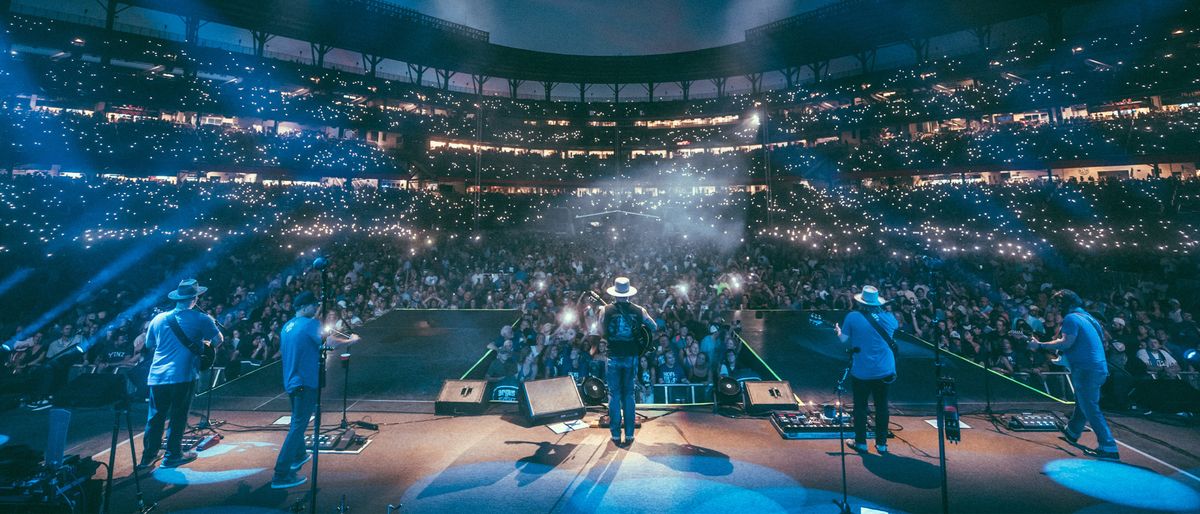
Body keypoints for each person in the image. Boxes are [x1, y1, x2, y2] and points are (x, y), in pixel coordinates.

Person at [272, 291, 359, 489]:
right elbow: (330, 344)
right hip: (305, 381)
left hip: (291, 381)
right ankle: (281, 474)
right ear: (303, 306)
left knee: (297, 420)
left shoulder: (287, 326)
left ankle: (299, 455)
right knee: (298, 425)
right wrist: (350, 341)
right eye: (313, 305)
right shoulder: (310, 324)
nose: (316, 309)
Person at [140, 279, 223, 469]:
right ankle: (173, 455)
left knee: (155, 417)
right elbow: (218, 340)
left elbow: (149, 345)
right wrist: (203, 344)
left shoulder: (158, 319)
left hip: (157, 375)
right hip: (183, 375)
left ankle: (148, 456)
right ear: (195, 298)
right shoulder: (202, 318)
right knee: (178, 415)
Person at [1030, 289, 1119, 461]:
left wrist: (1040, 345)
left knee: (1090, 407)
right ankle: (1072, 432)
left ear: (1064, 304)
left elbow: (1066, 343)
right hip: (1098, 367)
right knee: (1083, 402)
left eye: (1056, 305)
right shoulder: (1089, 318)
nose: (1054, 309)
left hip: (1086, 370)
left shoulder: (1071, 318)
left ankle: (1109, 447)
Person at [835, 285, 897, 455]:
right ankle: (882, 444)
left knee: (860, 407)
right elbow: (891, 331)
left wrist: (839, 331)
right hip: (884, 369)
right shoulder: (889, 318)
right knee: (882, 406)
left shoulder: (853, 317)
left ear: (861, 302)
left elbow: (843, 340)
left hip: (862, 370)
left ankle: (861, 442)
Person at [599, 277, 656, 447]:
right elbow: (653, 327)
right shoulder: (640, 311)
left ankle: (616, 435)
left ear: (615, 293)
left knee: (614, 395)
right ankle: (630, 434)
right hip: (631, 356)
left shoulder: (605, 310)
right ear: (629, 293)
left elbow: (601, 331)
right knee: (629, 394)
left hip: (613, 356)